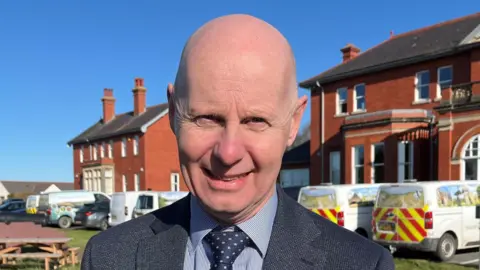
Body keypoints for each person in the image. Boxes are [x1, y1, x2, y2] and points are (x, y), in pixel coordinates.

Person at [81, 14, 395, 270]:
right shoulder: (108, 257)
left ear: (293, 123)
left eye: (255, 121)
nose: (228, 153)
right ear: (174, 113)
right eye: (206, 118)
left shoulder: (363, 265)